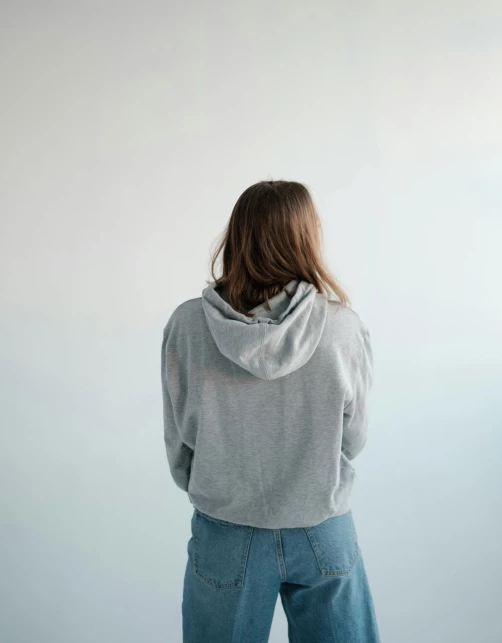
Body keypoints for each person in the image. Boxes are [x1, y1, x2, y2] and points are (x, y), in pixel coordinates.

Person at [161, 179, 381, 642]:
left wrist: (221, 486)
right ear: (306, 237)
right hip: (322, 527)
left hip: (226, 529)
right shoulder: (342, 327)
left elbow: (180, 443)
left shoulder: (187, 326)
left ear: (236, 236)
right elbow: (354, 440)